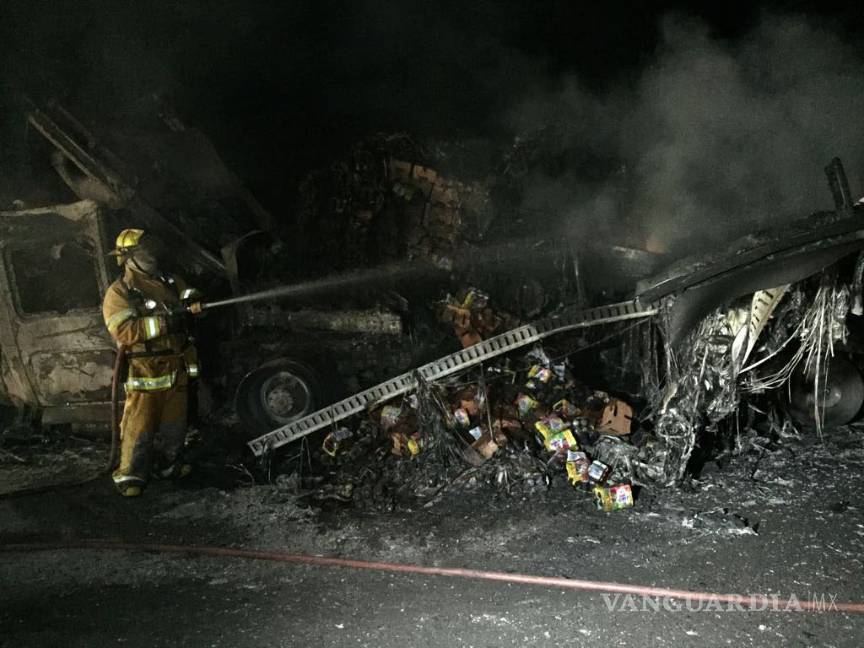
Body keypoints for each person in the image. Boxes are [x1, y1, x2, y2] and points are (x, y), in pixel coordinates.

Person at [102, 228, 202, 497]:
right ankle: (131, 474)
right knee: (140, 426)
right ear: (127, 257)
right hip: (145, 370)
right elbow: (124, 331)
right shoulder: (120, 292)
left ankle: (169, 464)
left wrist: (192, 300)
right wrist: (166, 323)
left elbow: (188, 294)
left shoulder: (169, 281)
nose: (151, 255)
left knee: (175, 424)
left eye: (151, 248)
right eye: (144, 250)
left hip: (176, 366)